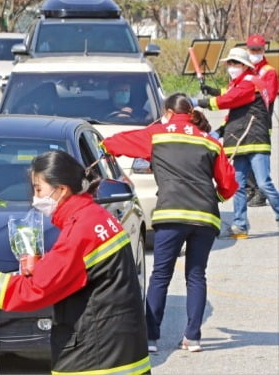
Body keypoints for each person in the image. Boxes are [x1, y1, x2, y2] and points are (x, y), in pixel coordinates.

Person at [0, 150, 151, 374]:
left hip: (97, 355)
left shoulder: (80, 230)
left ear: (61, 190)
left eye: (39, 189)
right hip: (120, 345)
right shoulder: (97, 216)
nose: (35, 198)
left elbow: (36, 289)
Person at [101, 93, 238, 353]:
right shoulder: (209, 141)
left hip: (171, 214)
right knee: (196, 276)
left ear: (167, 111)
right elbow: (228, 184)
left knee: (161, 275)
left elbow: (114, 143)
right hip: (205, 217)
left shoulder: (158, 134)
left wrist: (106, 147)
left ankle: (151, 338)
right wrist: (216, 197)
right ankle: (193, 338)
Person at [193, 47, 279, 238]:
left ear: (244, 65)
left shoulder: (251, 83)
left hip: (255, 139)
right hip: (240, 140)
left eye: (234, 63)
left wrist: (201, 102)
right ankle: (240, 225)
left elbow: (229, 99)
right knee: (239, 185)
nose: (231, 67)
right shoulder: (240, 83)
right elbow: (232, 105)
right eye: (229, 64)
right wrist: (219, 131)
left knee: (263, 183)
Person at [242, 34, 277, 207]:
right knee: (245, 155)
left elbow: (268, 98)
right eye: (252, 49)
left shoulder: (268, 71)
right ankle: (250, 189)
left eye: (258, 50)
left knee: (259, 158)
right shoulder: (245, 69)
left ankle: (261, 193)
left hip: (261, 120)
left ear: (263, 50)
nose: (255, 52)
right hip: (245, 120)